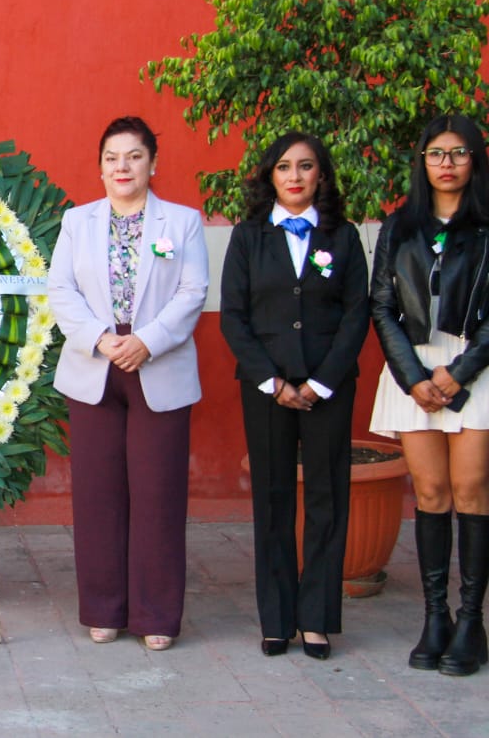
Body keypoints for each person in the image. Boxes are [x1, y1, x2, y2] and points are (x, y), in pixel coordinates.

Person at [46, 116, 208, 651]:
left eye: (134, 156)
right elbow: (61, 290)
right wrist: (100, 338)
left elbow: (192, 291)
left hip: (157, 366)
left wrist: (149, 340)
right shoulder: (77, 222)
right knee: (98, 494)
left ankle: (156, 615)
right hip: (95, 366)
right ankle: (103, 608)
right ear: (100, 166)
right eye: (113, 157)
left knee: (158, 494)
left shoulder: (182, 223)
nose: (123, 166)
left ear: (152, 164)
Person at [220, 133, 369, 660]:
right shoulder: (248, 237)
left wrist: (320, 381)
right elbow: (234, 318)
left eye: (306, 167)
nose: (295, 176)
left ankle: (317, 618)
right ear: (270, 176)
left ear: (321, 176)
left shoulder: (344, 237)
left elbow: (357, 314)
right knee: (273, 498)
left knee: (328, 499)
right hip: (266, 390)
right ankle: (277, 619)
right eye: (284, 167)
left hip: (328, 385)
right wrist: (274, 381)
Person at [370, 114, 489, 677]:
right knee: (432, 492)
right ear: (422, 162)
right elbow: (382, 306)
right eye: (437, 154)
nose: (447, 163)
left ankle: (471, 622)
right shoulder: (400, 226)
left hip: (476, 369)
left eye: (459, 153)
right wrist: (413, 374)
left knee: (470, 490)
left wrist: (459, 372)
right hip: (413, 371)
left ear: (475, 159)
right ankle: (435, 617)